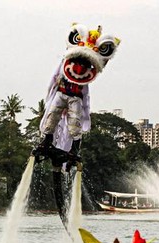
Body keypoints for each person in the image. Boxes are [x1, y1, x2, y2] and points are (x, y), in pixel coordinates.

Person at [33, 23, 121, 169]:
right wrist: (50, 94)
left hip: (75, 98)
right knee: (52, 117)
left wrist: (85, 115)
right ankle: (47, 140)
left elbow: (86, 97)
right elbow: (54, 80)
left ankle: (74, 148)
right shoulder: (64, 66)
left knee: (74, 124)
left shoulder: (85, 77)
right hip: (61, 94)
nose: (80, 67)